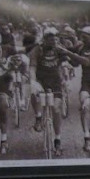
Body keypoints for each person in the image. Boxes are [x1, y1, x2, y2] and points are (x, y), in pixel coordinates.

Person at [56, 25, 90, 155]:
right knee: (85, 105)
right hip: (87, 83)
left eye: (85, 37)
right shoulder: (82, 48)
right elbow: (76, 63)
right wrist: (64, 57)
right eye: (82, 37)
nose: (83, 39)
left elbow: (86, 62)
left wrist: (68, 52)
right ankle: (87, 137)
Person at [28, 27, 65, 156]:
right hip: (41, 80)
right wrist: (33, 82)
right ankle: (38, 117)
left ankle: (58, 140)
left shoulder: (59, 49)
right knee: (33, 93)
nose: (53, 41)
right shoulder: (37, 50)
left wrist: (67, 68)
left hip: (55, 82)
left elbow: (67, 61)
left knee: (56, 109)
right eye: (50, 39)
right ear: (44, 39)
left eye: (55, 39)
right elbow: (32, 67)